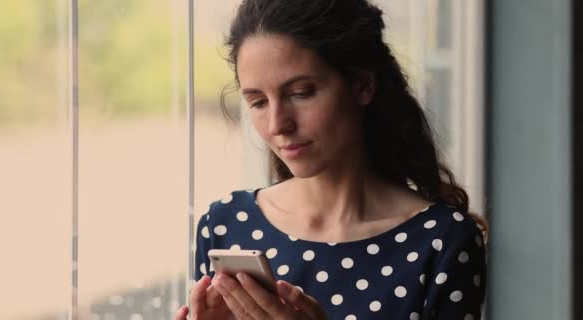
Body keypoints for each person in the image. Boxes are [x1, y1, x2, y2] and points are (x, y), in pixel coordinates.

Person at [176, 0, 487, 319]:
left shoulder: (442, 241)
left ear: (362, 85)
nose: (277, 125)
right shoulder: (225, 225)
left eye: (300, 93)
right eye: (258, 102)